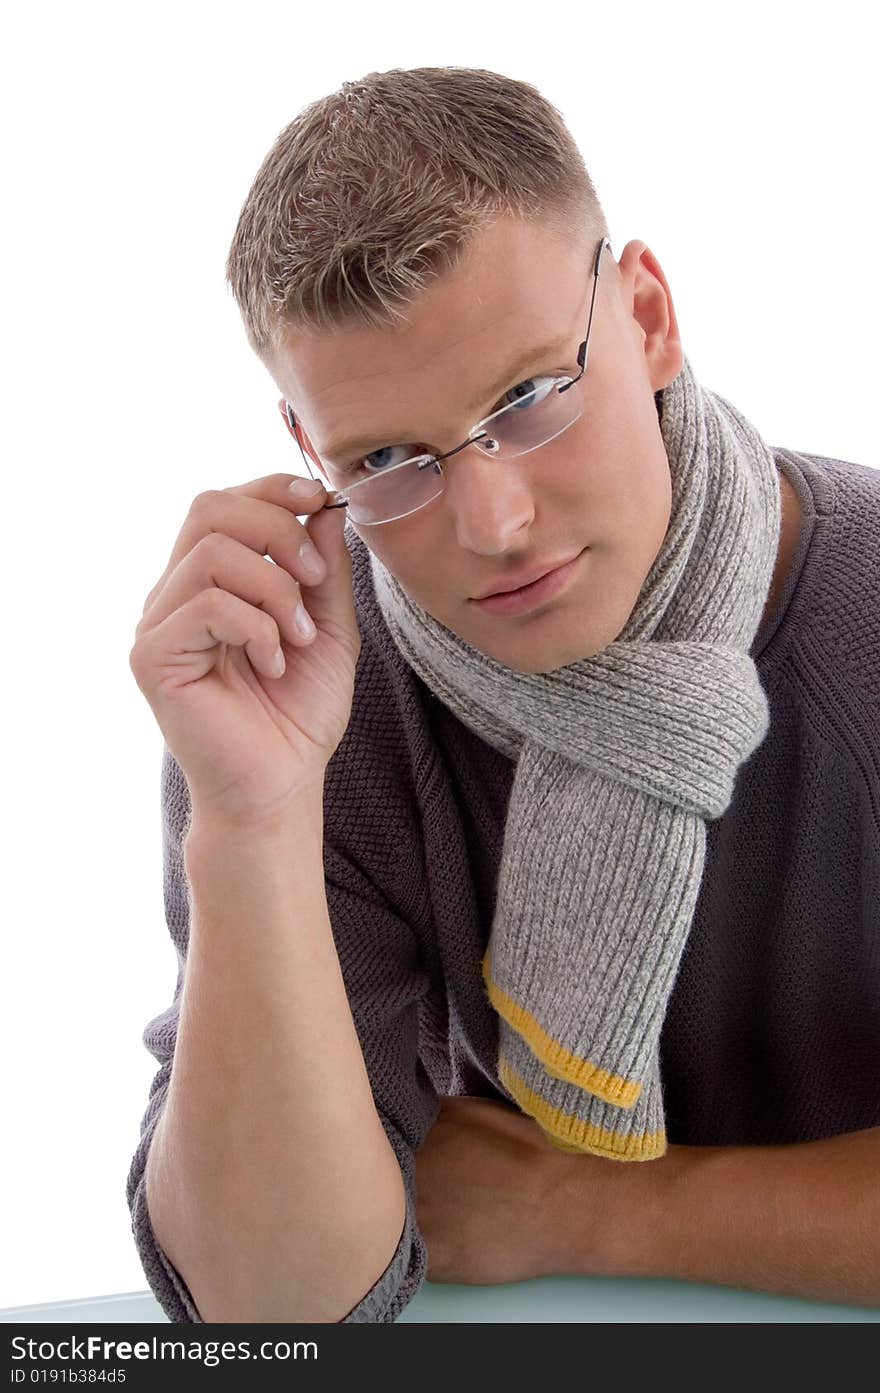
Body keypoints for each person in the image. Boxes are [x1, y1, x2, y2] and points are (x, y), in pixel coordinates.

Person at [126, 66, 880, 1323]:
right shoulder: (308, 689)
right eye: (390, 459)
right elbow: (269, 1312)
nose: (495, 525)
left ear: (646, 316)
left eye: (528, 399)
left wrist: (599, 1213)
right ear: (314, 456)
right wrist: (250, 818)